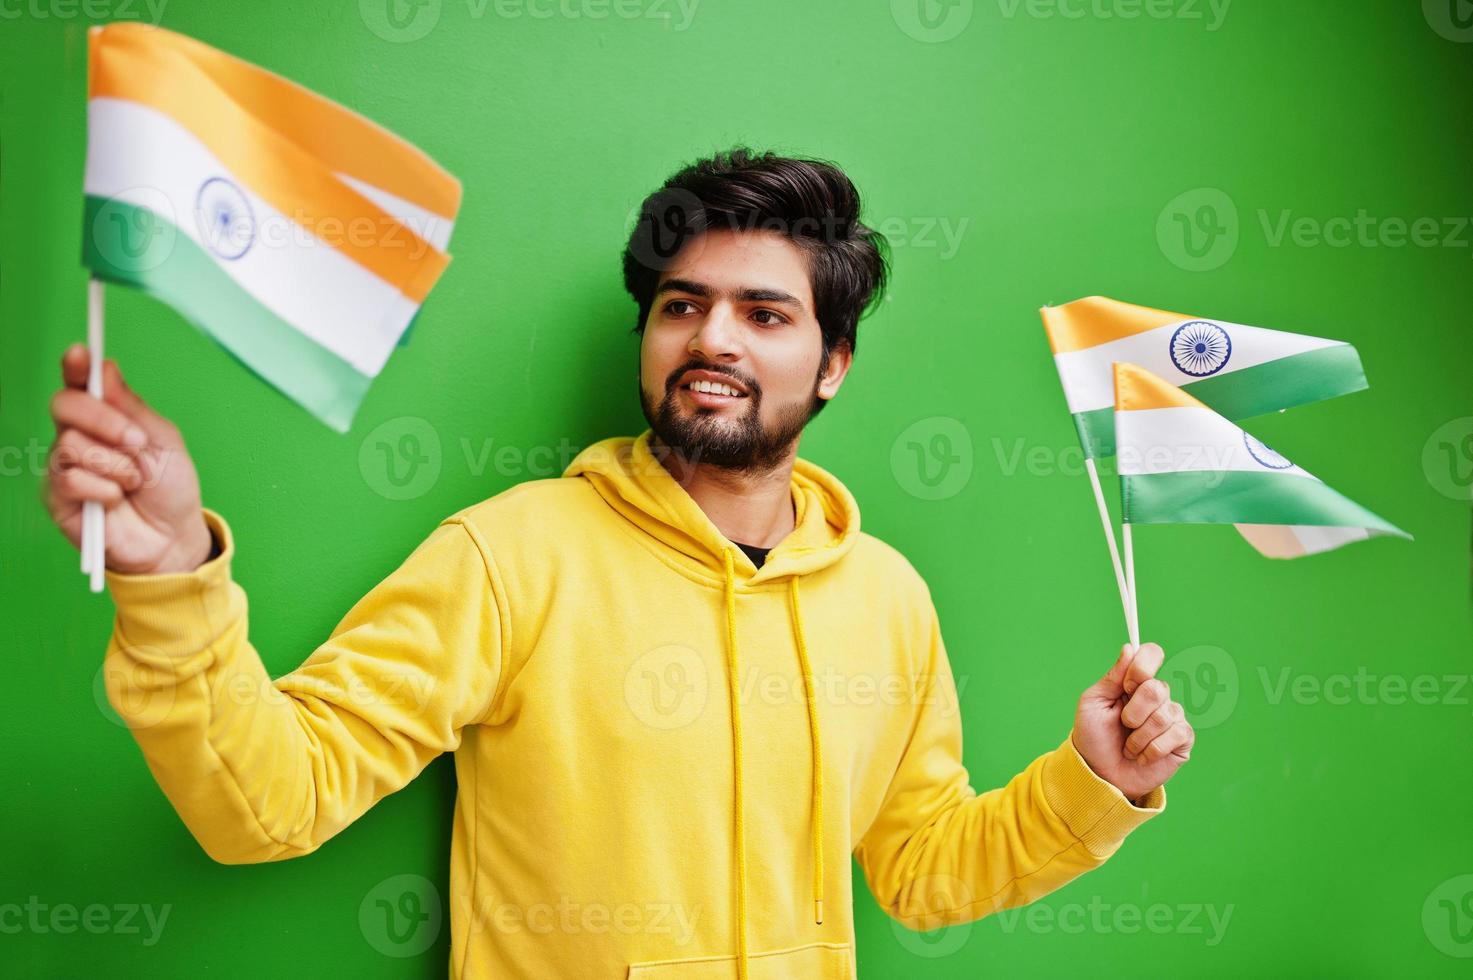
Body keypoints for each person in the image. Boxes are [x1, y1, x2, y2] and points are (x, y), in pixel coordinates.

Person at [43, 148, 1193, 979]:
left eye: (765, 312)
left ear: (833, 361)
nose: (713, 338)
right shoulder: (511, 553)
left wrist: (1089, 781)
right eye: (681, 304)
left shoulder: (887, 596)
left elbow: (925, 871)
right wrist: (170, 574)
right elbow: (268, 802)